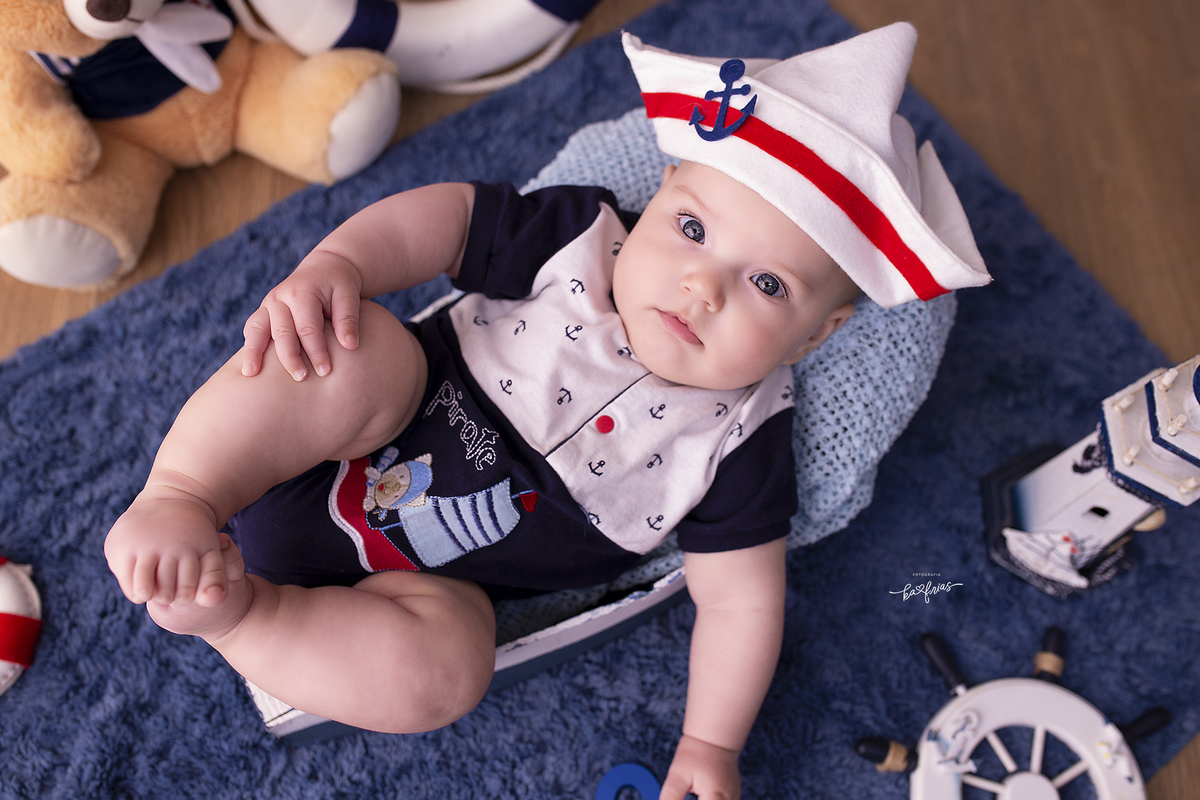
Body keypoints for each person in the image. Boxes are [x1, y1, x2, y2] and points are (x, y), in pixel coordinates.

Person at [104, 24, 988, 800]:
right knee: (358, 350)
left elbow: (740, 607)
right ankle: (182, 492)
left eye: (767, 284)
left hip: (421, 590)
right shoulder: (580, 239)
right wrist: (340, 265)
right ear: (663, 188)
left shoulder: (742, 442)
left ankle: (242, 619)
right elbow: (451, 220)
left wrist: (710, 743)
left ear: (817, 334)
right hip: (352, 427)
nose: (702, 288)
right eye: (691, 229)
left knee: (451, 669)